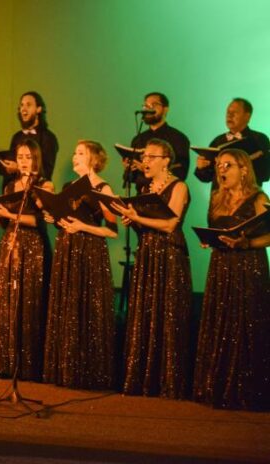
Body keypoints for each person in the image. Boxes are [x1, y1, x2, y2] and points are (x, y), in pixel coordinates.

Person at [115, 138, 192, 400]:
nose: (145, 161)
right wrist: (132, 220)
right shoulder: (144, 187)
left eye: (151, 157)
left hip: (169, 253)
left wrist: (138, 217)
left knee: (167, 313)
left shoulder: (178, 186)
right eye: (144, 157)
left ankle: (168, 381)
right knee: (146, 311)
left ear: (166, 160)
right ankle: (143, 378)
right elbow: (145, 225)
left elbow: (170, 224)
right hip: (147, 253)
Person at [193, 149, 270, 411]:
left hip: (248, 265)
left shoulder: (259, 198)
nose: (221, 170)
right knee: (222, 321)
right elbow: (216, 228)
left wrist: (247, 243)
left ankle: (247, 389)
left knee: (245, 322)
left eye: (228, 165)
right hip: (222, 265)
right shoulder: (217, 197)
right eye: (218, 165)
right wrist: (210, 240)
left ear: (244, 169)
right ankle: (218, 386)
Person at [43, 141, 117, 390]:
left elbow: (112, 230)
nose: (74, 156)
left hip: (90, 252)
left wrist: (82, 227)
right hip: (67, 249)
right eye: (74, 152)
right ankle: (65, 368)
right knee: (68, 307)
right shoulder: (69, 187)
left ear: (94, 159)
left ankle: (89, 372)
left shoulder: (103, 188)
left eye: (81, 153)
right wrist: (54, 217)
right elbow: (65, 220)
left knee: (86, 308)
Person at [0, 139, 53, 380]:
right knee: (8, 299)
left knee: (30, 299)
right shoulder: (10, 185)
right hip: (10, 244)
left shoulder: (45, 184)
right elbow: (4, 223)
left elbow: (40, 221)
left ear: (36, 159)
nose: (24, 161)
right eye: (20, 157)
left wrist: (10, 214)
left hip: (32, 246)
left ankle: (29, 363)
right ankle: (7, 361)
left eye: (28, 157)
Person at [195, 98, 270, 186]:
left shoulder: (259, 139)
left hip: (249, 193)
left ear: (247, 116)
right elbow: (206, 178)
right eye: (228, 112)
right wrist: (201, 168)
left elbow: (265, 174)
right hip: (220, 194)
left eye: (235, 112)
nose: (229, 116)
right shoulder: (218, 141)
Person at [127, 92, 190, 190]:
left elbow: (181, 173)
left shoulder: (179, 138)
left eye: (154, 104)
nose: (149, 108)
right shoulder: (138, 139)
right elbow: (132, 179)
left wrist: (150, 169)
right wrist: (130, 168)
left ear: (165, 109)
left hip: (167, 193)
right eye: (146, 105)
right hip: (142, 193)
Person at [0, 91, 59, 186]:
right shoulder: (17, 136)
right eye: (22, 105)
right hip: (15, 189)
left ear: (38, 109)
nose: (23, 109)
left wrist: (18, 168)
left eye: (28, 105)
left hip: (36, 190)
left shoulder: (48, 137)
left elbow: (46, 171)